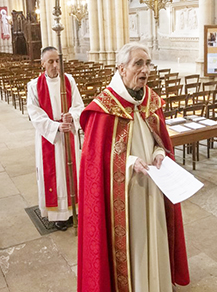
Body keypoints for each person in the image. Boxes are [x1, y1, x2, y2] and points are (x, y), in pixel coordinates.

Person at [77, 42, 190, 291]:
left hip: (154, 186)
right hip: (128, 194)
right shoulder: (104, 107)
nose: (145, 69)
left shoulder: (150, 100)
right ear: (122, 68)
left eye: (148, 63)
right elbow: (95, 162)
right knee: (136, 243)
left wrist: (160, 152)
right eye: (138, 63)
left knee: (156, 234)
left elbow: (159, 139)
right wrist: (129, 163)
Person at [27, 46, 84, 231]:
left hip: (69, 134)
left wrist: (73, 116)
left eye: (57, 61)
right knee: (55, 176)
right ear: (42, 63)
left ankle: (73, 210)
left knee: (70, 173)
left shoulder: (69, 80)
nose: (54, 65)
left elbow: (79, 105)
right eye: (50, 61)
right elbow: (35, 115)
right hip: (50, 138)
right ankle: (58, 215)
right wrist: (56, 126)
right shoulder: (34, 85)